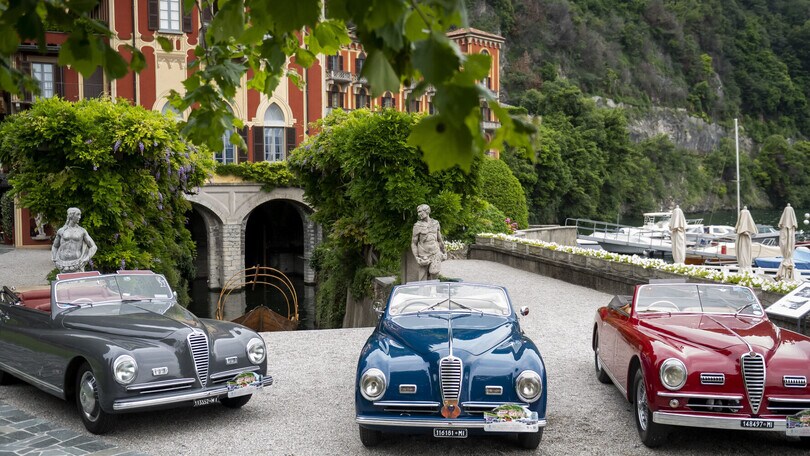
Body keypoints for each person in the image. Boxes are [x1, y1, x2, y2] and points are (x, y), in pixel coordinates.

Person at [52, 207, 97, 273]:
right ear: (71, 215)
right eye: (78, 214)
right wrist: (54, 259)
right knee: (63, 282)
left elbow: (93, 247)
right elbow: (55, 246)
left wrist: (86, 258)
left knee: (78, 283)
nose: (80, 217)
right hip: (62, 264)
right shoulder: (61, 231)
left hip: (78, 264)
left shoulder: (82, 231)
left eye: (80, 215)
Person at [411, 204, 446, 281]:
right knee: (422, 278)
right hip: (423, 255)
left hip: (435, 253)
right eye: (418, 212)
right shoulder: (417, 226)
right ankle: (423, 292)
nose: (418, 214)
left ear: (426, 211)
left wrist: (444, 252)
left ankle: (433, 292)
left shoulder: (435, 223)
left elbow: (440, 240)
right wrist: (417, 258)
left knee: (434, 275)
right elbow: (413, 243)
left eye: (420, 211)